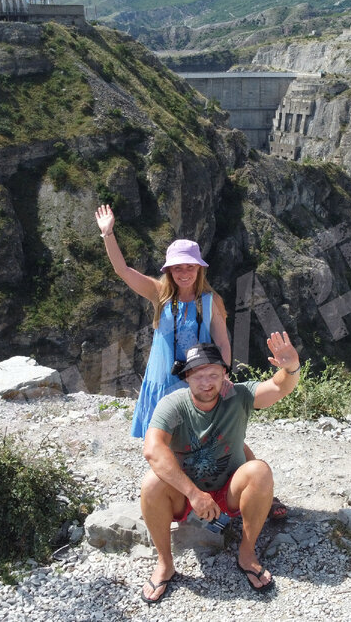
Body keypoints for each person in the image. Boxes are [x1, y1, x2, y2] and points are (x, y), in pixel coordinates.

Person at [95, 204, 290, 519]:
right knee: (167, 446)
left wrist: (224, 375)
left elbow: (223, 340)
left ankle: (258, 492)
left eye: (190, 267)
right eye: (177, 268)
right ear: (169, 270)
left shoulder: (210, 301)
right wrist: (108, 234)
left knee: (229, 438)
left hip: (200, 381)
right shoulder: (160, 294)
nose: (184, 273)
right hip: (164, 383)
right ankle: (176, 498)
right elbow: (123, 271)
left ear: (200, 269)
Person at [138, 333, 301, 603]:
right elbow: (153, 449)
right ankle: (165, 563)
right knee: (151, 483)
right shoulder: (173, 405)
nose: (206, 382)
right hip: (186, 496)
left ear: (225, 374)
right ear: (187, 377)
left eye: (213, 374)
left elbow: (278, 388)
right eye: (198, 375)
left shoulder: (238, 396)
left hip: (229, 491)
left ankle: (247, 554)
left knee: (259, 470)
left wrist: (291, 367)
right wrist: (193, 494)